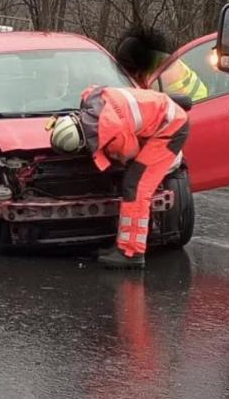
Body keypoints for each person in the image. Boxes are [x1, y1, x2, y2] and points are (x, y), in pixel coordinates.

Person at [47, 85, 189, 268]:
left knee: (136, 186)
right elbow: (92, 89)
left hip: (170, 129)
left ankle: (131, 253)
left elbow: (128, 154)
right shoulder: (92, 99)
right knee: (134, 181)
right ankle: (126, 246)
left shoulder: (113, 132)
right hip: (163, 115)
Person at [114, 26, 208, 102]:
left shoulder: (160, 80)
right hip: (203, 100)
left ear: (137, 71)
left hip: (195, 110)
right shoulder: (166, 60)